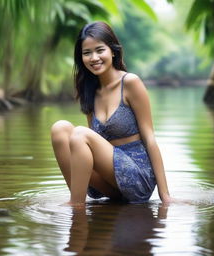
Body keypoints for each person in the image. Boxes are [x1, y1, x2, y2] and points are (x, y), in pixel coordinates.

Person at [51, 21, 173, 206]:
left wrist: (165, 196)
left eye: (100, 50)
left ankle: (76, 207)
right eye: (87, 53)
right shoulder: (89, 89)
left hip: (137, 176)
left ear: (113, 51)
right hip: (109, 182)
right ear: (81, 58)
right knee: (60, 129)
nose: (94, 58)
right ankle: (77, 198)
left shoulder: (130, 83)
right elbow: (95, 142)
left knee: (80, 133)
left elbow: (150, 139)